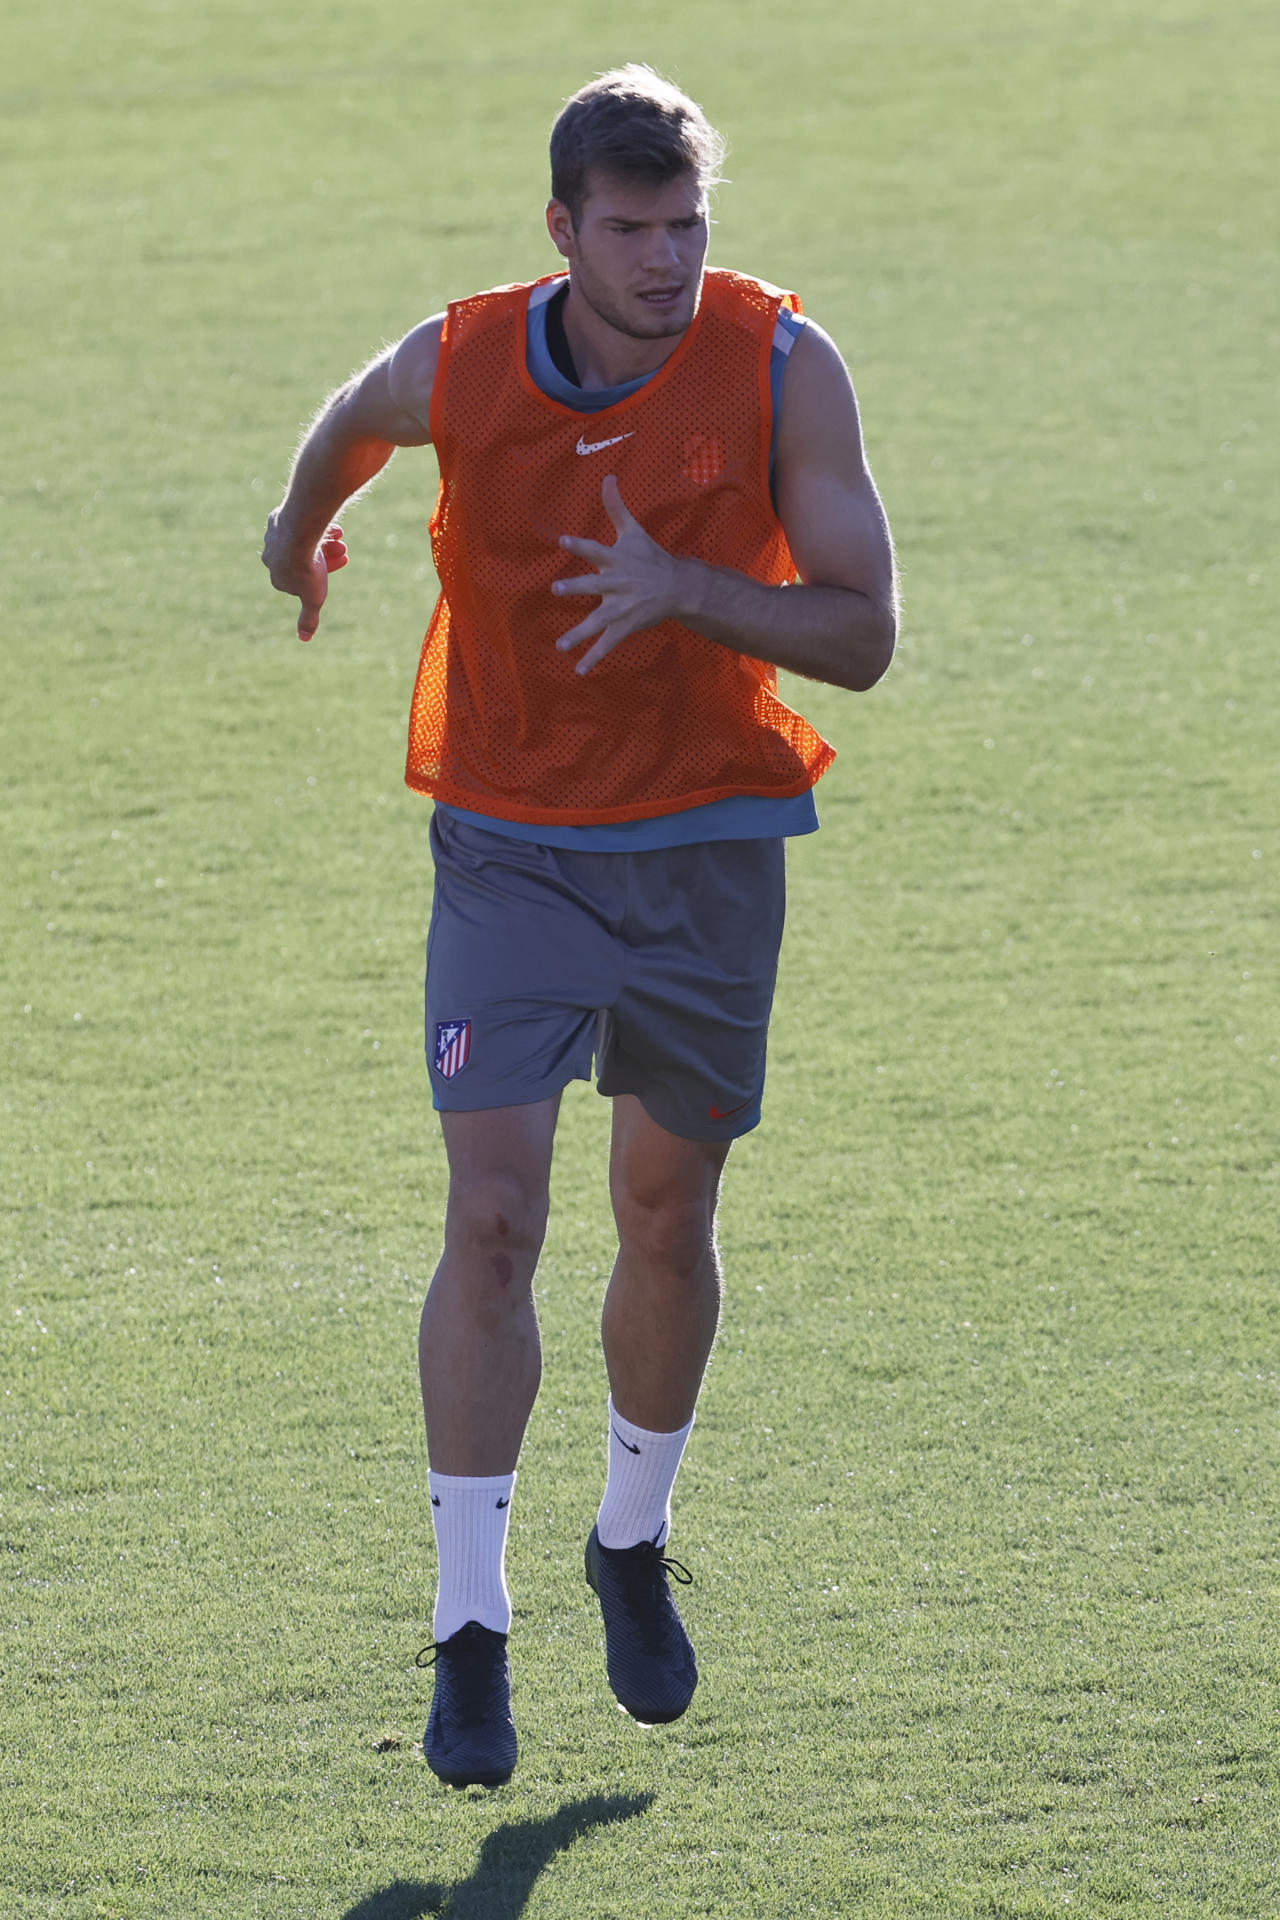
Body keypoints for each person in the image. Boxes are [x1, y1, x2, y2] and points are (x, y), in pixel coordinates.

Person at [263, 64, 897, 1790]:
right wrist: (293, 528)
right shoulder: (465, 356)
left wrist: (688, 589)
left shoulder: (780, 364)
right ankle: (472, 1625)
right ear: (562, 229)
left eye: (688, 226)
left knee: (665, 1210)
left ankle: (631, 1532)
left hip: (706, 842)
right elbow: (358, 415)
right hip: (512, 840)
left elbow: (864, 634)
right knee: (493, 1218)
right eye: (631, 232)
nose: (668, 261)